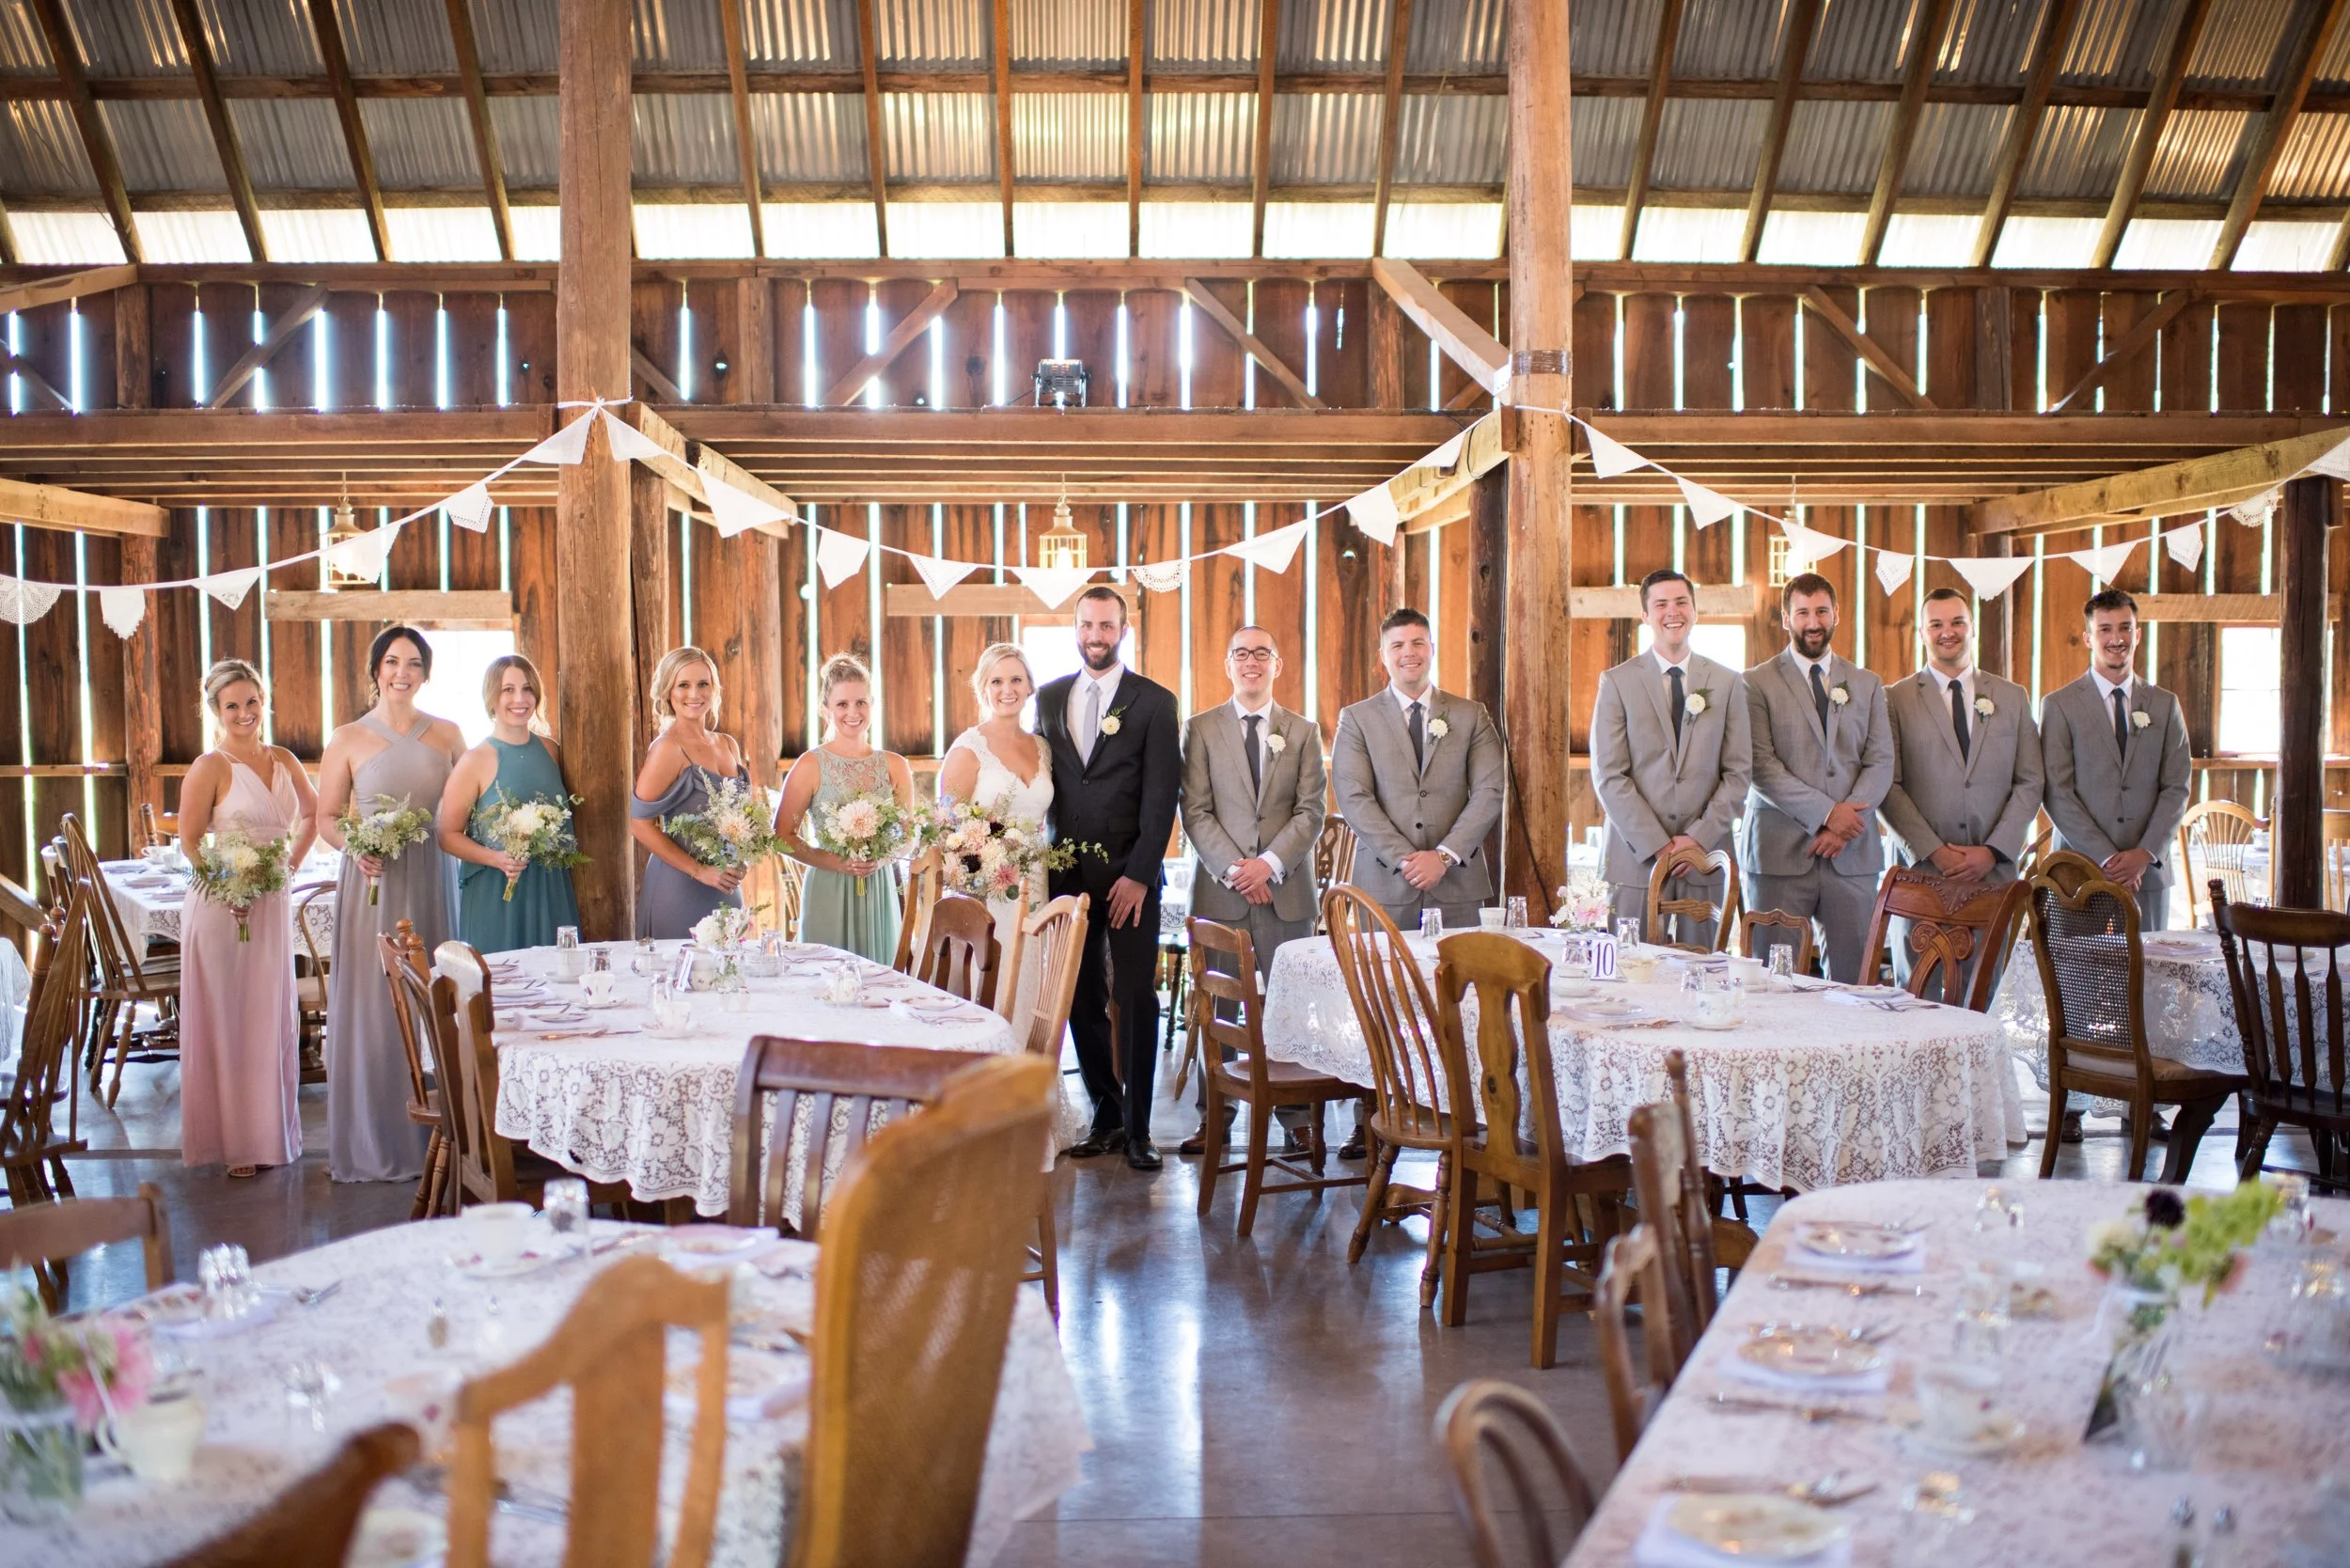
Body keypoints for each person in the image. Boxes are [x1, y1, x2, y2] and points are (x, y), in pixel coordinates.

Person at [1033, 587, 1180, 1170]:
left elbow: (1161, 794)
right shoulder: (1048, 698)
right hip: (1066, 878)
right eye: (1087, 624)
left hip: (1130, 879)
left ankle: (1141, 1128)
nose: (1096, 634)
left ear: (1123, 629)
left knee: (1136, 997)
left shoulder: (1154, 702)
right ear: (1075, 628)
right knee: (1079, 996)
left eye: (1107, 625)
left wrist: (1140, 874)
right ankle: (1107, 1111)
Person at [317, 625, 464, 1184]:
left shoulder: (449, 735)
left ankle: (445, 1141)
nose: (402, 672)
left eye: (414, 663)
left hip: (434, 878)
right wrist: (357, 847)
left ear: (426, 672)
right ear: (376, 669)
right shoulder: (348, 738)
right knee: (379, 1005)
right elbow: (328, 818)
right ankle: (375, 1139)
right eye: (392, 662)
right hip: (373, 883)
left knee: (434, 999)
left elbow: (470, 801)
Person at [1178, 625, 1326, 1157]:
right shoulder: (1200, 729)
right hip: (1221, 894)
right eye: (1241, 653)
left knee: (1292, 1005)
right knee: (1216, 1009)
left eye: (1262, 653)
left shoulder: (1304, 732)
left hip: (1286, 894)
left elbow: (1312, 811)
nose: (1251, 662)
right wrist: (1237, 870)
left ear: (1278, 664)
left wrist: (1268, 866)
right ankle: (1214, 1116)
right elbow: (1194, 809)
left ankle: (1297, 1118)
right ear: (1228, 663)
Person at [176, 660, 318, 1179]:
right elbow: (190, 843)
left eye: (251, 702)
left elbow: (312, 813)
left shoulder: (282, 758)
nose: (244, 713)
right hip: (224, 904)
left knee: (269, 1016)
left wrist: (291, 865)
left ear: (264, 703)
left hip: (272, 898)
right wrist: (225, 886)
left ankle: (269, 1134)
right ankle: (233, 1141)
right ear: (215, 710)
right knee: (231, 1019)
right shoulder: (209, 766)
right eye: (231, 705)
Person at [1880, 588, 2044, 989]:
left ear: (1972, 629)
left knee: (1983, 997)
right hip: (1922, 874)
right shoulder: (1894, 699)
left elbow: (2030, 780)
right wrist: (1934, 851)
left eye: (1957, 622)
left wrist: (1992, 851)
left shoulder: (2011, 696)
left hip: (1992, 875)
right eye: (1936, 624)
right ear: (1922, 632)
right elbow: (1888, 784)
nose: (1947, 632)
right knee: (1918, 995)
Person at [1741, 574, 1893, 983]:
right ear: (1786, 619)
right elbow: (1761, 765)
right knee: (1775, 982)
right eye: (1803, 613)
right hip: (1779, 855)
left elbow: (1880, 762)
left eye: (1822, 611)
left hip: (1853, 854)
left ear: (1836, 614)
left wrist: (1843, 827)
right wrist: (1827, 814)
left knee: (1856, 981)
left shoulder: (1867, 683)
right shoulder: (1755, 682)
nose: (1813, 622)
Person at [1589, 570, 1751, 949]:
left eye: (1681, 602)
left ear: (1695, 611)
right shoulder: (1617, 682)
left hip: (1705, 858)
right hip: (1635, 859)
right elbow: (1610, 776)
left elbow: (1739, 772)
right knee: (1631, 977)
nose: (1672, 612)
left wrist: (1697, 838)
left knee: (1703, 977)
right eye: (1660, 604)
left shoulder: (1727, 683)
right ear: (1645, 615)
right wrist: (1659, 845)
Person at [1329, 607, 1505, 933]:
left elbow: (1489, 791)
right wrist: (1406, 860)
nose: (1409, 653)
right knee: (1380, 983)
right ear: (1383, 655)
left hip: (1458, 886)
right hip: (1383, 888)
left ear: (1432, 649)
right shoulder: (1357, 719)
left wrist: (1443, 857)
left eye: (1418, 643)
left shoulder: (1471, 715)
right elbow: (1354, 797)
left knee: (1461, 983)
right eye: (1397, 646)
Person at [2039, 588, 2191, 933]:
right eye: (2105, 629)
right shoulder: (2059, 706)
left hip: (2147, 875)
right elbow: (2057, 793)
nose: (2116, 638)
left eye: (2125, 628)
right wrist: (2107, 859)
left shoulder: (2165, 705)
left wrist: (2143, 855)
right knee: (2079, 978)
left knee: (2150, 978)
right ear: (2088, 638)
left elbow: (2176, 787)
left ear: (2137, 634)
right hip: (2079, 873)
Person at [436, 653, 581, 955]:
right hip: (497, 891)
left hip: (549, 888)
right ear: (492, 698)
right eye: (508, 690)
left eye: (528, 689)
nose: (520, 698)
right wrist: (496, 858)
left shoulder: (550, 750)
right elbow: (447, 835)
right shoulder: (475, 760)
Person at [777, 652, 915, 964]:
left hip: (878, 888)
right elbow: (781, 835)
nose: (852, 712)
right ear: (826, 710)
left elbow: (908, 835)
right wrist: (831, 860)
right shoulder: (811, 765)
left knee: (879, 984)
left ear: (872, 705)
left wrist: (881, 858)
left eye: (861, 703)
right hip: (829, 885)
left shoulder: (895, 766)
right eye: (842, 704)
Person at [938, 642, 1056, 958]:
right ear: (983, 689)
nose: (1008, 690)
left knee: (1030, 967)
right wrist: (984, 864)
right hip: (989, 886)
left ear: (1030, 686)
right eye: (997, 681)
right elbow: (947, 831)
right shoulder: (968, 749)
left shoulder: (1043, 748)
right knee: (993, 972)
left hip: (1037, 879)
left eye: (1016, 680)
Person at [630, 646, 751, 941]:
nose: (694, 694)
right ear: (668, 691)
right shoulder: (667, 749)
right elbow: (639, 824)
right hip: (679, 888)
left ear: (714, 690)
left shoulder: (727, 744)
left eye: (702, 684)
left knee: (729, 976)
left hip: (725, 886)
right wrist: (699, 871)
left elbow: (740, 819)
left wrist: (742, 857)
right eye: (683, 685)